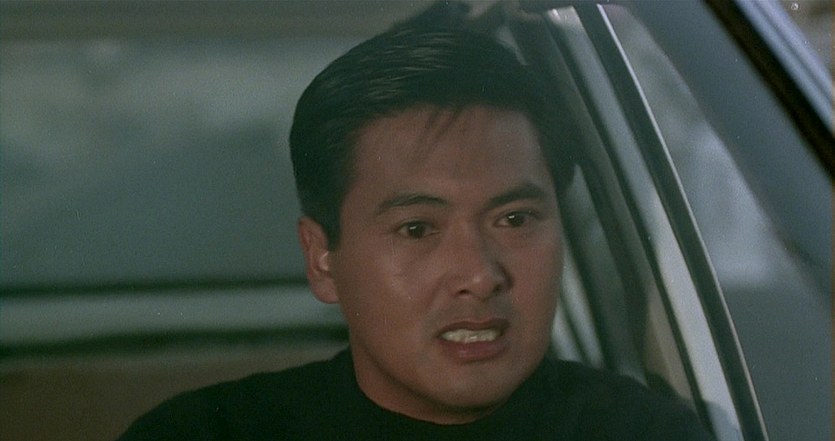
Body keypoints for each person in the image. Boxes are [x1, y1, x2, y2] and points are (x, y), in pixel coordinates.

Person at [117, 24, 715, 441]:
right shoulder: (204, 435)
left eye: (514, 219)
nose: (479, 275)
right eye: (417, 228)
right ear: (322, 259)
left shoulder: (640, 433)